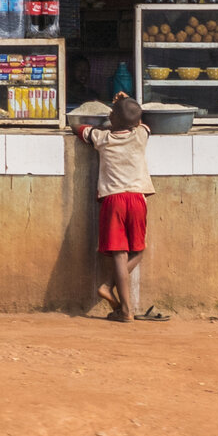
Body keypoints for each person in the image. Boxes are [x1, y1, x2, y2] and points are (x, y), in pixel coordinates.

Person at [74, 93, 167, 322]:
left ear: (111, 119)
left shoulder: (102, 137)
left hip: (113, 200)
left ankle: (123, 308)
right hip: (137, 199)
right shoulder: (140, 135)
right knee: (139, 250)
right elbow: (143, 122)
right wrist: (127, 103)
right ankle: (109, 287)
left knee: (119, 253)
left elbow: (79, 127)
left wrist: (109, 118)